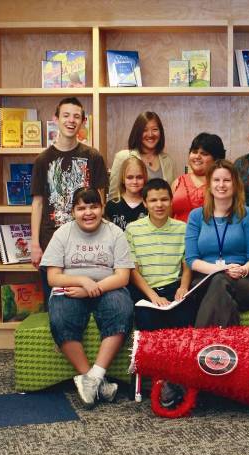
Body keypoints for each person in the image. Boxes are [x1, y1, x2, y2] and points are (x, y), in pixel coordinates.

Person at [40, 187, 135, 409]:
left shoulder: (115, 233)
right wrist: (83, 281)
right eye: (81, 208)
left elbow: (122, 277)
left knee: (122, 310)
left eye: (93, 206)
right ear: (73, 211)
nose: (88, 212)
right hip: (71, 288)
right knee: (61, 318)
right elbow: (53, 278)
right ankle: (93, 380)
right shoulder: (63, 233)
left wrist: (94, 288)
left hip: (109, 287)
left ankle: (94, 375)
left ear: (102, 208)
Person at [31, 97, 108, 307]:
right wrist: (35, 244)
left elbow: (101, 200)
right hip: (51, 240)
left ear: (83, 121)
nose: (71, 121)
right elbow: (37, 203)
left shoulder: (93, 157)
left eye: (77, 116)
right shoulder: (42, 160)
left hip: (87, 241)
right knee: (56, 305)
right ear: (56, 119)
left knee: (90, 300)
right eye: (66, 115)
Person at [185, 160, 249, 328]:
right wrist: (221, 269)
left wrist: (243, 269)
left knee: (220, 282)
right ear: (209, 185)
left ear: (235, 184)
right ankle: (228, 341)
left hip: (240, 282)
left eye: (226, 180)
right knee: (218, 281)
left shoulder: (246, 214)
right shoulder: (196, 216)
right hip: (204, 280)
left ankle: (200, 340)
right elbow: (192, 260)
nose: (221, 185)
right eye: (216, 180)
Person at [126, 178, 195, 331]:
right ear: (145, 203)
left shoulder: (183, 228)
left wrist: (183, 287)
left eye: (164, 199)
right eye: (153, 200)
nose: (159, 205)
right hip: (146, 290)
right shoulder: (132, 230)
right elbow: (133, 270)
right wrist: (154, 297)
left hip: (175, 289)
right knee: (149, 324)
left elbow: (187, 264)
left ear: (171, 201)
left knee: (184, 324)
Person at [109, 111, 175, 200]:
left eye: (155, 129)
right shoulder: (123, 157)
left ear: (160, 132)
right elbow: (114, 196)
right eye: (145, 130)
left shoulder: (167, 160)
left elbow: (170, 197)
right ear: (137, 133)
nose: (150, 134)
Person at [171, 132, 226, 222]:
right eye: (194, 152)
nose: (197, 156)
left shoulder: (222, 183)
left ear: (216, 158)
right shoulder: (178, 181)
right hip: (178, 235)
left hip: (210, 234)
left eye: (204, 153)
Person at [104, 157, 148, 230]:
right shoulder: (111, 206)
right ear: (123, 179)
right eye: (130, 177)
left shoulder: (149, 206)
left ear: (145, 178)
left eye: (139, 177)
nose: (135, 182)